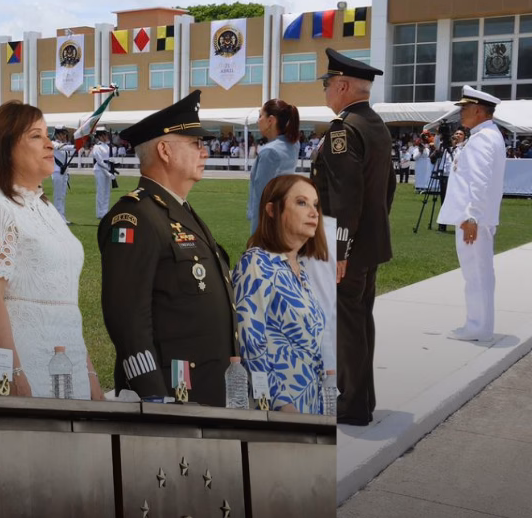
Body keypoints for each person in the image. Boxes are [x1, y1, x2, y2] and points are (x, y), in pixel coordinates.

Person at [98, 90, 235, 406]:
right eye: (196, 144)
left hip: (208, 390)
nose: (205, 152)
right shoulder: (135, 218)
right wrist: (152, 394)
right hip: (173, 395)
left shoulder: (180, 212)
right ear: (164, 150)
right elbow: (128, 320)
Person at [0, 101, 102, 400]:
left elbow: (65, 303)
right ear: (6, 147)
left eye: (47, 134)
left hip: (68, 366)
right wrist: (12, 376)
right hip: (20, 370)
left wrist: (89, 373)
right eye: (36, 136)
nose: (50, 143)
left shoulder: (45, 208)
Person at [310, 48, 394, 426]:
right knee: (360, 320)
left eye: (328, 84)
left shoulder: (344, 129)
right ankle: (362, 398)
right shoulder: (374, 124)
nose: (325, 91)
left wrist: (340, 249)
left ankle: (353, 403)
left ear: (342, 85)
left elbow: (345, 195)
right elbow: (386, 188)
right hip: (370, 242)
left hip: (348, 247)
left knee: (347, 325)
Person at [234, 174, 328, 414]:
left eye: (315, 204)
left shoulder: (300, 270)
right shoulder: (257, 263)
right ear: (272, 210)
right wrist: (282, 406)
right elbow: (251, 346)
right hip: (280, 413)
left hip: (310, 406)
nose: (313, 212)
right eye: (301, 202)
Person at [437, 87, 507, 342]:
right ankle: (480, 325)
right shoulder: (486, 135)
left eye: (465, 108)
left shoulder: (483, 138)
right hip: (476, 216)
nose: (461, 112)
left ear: (478, 111)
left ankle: (477, 327)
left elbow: (479, 182)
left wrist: (471, 217)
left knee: (476, 274)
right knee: (480, 273)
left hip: (473, 219)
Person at [248, 100, 301, 235]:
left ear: (270, 120)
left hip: (267, 222)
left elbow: (263, 195)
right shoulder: (293, 144)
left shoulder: (269, 151)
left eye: (260, 116)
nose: (258, 121)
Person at [92, 127, 116, 219]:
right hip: (100, 170)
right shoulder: (96, 147)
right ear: (100, 136)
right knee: (101, 192)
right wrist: (108, 172)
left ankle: (105, 211)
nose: (107, 136)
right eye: (105, 134)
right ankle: (100, 213)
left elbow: (108, 159)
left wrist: (113, 162)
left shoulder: (108, 146)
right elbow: (100, 161)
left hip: (107, 169)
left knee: (107, 192)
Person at [51, 127, 73, 222]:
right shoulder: (53, 143)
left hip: (64, 172)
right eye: (62, 134)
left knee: (62, 195)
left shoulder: (64, 144)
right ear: (57, 134)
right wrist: (75, 146)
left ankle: (62, 216)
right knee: (58, 195)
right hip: (57, 172)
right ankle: (57, 218)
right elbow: (61, 147)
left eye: (65, 134)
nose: (64, 136)